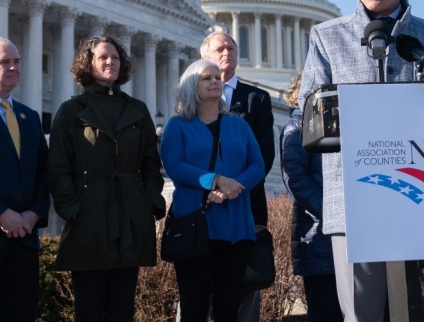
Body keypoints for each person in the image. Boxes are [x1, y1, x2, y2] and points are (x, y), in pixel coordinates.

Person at [298, 0, 424, 321]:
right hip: (355, 200)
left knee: (421, 309)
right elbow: (309, 111)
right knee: (361, 315)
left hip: (422, 195)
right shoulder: (327, 37)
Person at [48, 35, 166, 322]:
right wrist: (73, 210)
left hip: (129, 217)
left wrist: (147, 201)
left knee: (122, 309)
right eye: (103, 57)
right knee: (88, 309)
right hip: (88, 219)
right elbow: (58, 167)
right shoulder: (71, 110)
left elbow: (152, 163)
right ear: (88, 63)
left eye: (115, 57)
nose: (110, 62)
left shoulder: (137, 109)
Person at [161, 59, 265, 322]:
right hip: (196, 225)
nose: (216, 81)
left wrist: (232, 188)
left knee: (228, 308)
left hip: (235, 225)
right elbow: (174, 166)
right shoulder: (177, 125)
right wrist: (215, 180)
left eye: (217, 77)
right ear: (191, 86)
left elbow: (257, 165)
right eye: (207, 78)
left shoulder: (238, 124)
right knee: (193, 308)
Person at [200, 32, 275, 322]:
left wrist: (232, 189)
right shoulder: (189, 98)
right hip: (203, 208)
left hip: (245, 208)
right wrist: (211, 185)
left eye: (231, 47)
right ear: (204, 56)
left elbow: (264, 157)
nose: (227, 52)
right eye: (219, 48)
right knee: (197, 296)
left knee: (245, 294)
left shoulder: (257, 99)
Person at [280, 71, 343, 322]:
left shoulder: (338, 123)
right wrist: (334, 213)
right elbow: (296, 179)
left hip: (335, 231)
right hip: (317, 232)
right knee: (325, 310)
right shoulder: (297, 126)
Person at [0, 38, 49, 322]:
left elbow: (43, 173)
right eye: (5, 62)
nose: (13, 68)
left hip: (24, 240)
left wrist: (34, 213)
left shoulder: (29, 117)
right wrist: (2, 213)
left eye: (17, 61)